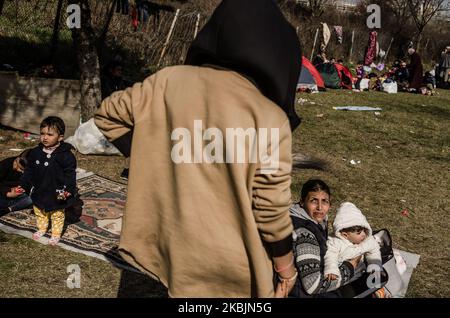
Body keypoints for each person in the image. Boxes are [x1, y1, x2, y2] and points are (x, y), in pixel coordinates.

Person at [94, 0, 302, 297]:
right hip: (233, 266)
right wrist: (286, 268)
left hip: (174, 249)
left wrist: (153, 156)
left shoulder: (165, 82)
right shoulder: (269, 117)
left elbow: (107, 114)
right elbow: (270, 210)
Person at [290, 180, 363, 297]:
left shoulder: (313, 221)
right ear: (302, 202)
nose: (320, 207)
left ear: (330, 204)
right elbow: (312, 286)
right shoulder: (304, 235)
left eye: (324, 201)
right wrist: (350, 267)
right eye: (313, 201)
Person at [20, 116, 77, 246]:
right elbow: (29, 170)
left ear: (60, 137)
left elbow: (70, 174)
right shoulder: (35, 152)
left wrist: (69, 189)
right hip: (40, 188)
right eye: (42, 133)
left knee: (57, 213)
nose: (45, 137)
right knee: (39, 210)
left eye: (50, 134)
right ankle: (42, 228)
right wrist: (24, 184)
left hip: (57, 189)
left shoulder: (66, 155)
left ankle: (56, 234)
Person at [324, 202, 382, 284]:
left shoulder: (367, 241)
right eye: (359, 233)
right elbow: (330, 256)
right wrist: (331, 270)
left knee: (374, 284)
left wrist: (374, 267)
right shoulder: (335, 242)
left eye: (364, 230)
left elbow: (374, 251)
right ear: (345, 235)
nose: (364, 235)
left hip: (361, 272)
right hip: (343, 276)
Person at [0, 150, 33, 215]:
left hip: (17, 198)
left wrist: (21, 188)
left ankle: (9, 209)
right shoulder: (5, 164)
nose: (19, 171)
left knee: (33, 198)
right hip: (3, 194)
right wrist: (7, 192)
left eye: (23, 170)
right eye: (19, 167)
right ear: (17, 158)